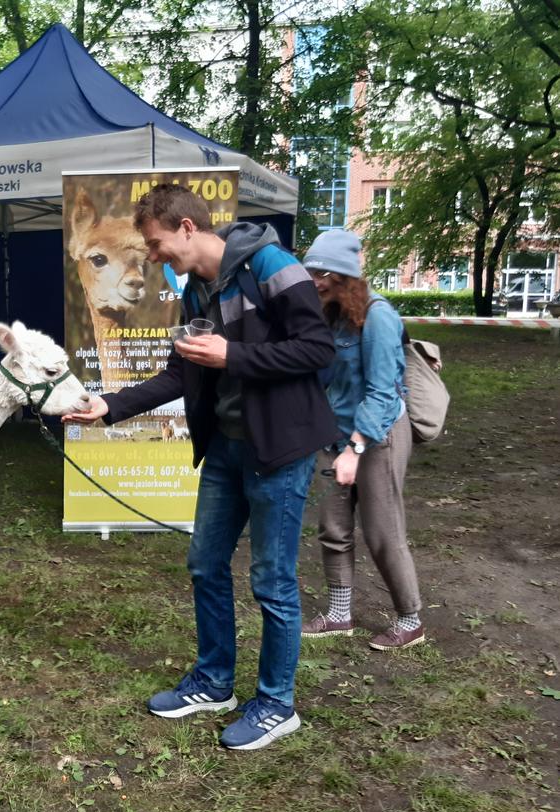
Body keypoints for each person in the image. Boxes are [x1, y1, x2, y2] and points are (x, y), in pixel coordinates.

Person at [63, 184, 339, 750]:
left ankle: (276, 703)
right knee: (205, 564)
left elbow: (317, 349)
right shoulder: (195, 293)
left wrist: (233, 355)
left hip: (278, 452)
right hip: (225, 449)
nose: (155, 257)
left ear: (188, 228)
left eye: (158, 244)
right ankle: (214, 682)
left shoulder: (272, 265)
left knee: (273, 582)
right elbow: (177, 375)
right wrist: (108, 405)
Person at [300, 229, 425, 650]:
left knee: (381, 531)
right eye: (310, 270)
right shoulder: (327, 315)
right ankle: (339, 614)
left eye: (322, 272)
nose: (314, 279)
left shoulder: (378, 316)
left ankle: (410, 619)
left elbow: (382, 391)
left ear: (344, 274)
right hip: (334, 433)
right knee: (333, 528)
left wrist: (355, 447)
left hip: (379, 432)